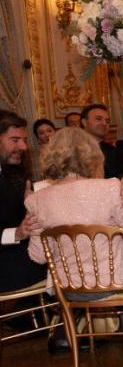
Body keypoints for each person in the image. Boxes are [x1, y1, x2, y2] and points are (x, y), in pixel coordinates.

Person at [25, 127, 123, 297]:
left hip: (69, 288)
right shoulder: (108, 187)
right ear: (92, 155)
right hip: (117, 281)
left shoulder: (36, 200)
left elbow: (39, 256)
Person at [0, 111, 45, 293]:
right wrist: (16, 234)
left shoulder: (10, 173)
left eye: (24, 140)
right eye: (15, 140)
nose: (24, 146)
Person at [81, 104, 123, 179]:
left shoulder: (116, 152)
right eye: (98, 119)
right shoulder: (73, 150)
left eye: (107, 121)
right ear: (84, 122)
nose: (104, 123)